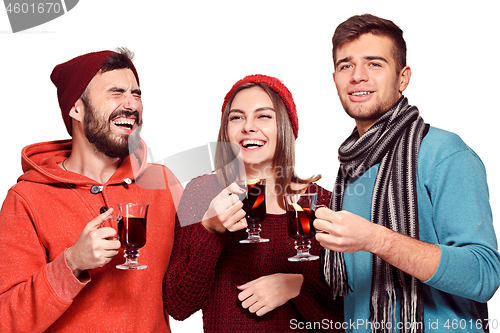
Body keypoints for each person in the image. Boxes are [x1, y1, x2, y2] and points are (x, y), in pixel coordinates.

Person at [314, 14, 500, 333]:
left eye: (374, 63)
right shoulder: (348, 171)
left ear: (403, 78)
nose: (358, 76)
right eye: (346, 65)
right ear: (334, 79)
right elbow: (346, 291)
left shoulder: (444, 152)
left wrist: (377, 238)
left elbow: (483, 276)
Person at [0, 48, 182, 332]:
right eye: (116, 92)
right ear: (77, 108)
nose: (131, 104)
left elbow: (221, 240)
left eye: (137, 93)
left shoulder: (163, 181)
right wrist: (71, 263)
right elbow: (6, 320)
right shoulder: (26, 199)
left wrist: (280, 282)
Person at [163, 74, 343, 332]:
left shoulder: (321, 203)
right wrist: (210, 230)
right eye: (237, 117)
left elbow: (346, 316)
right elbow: (178, 305)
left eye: (263, 116)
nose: (248, 126)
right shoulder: (202, 192)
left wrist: (298, 286)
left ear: (286, 127)